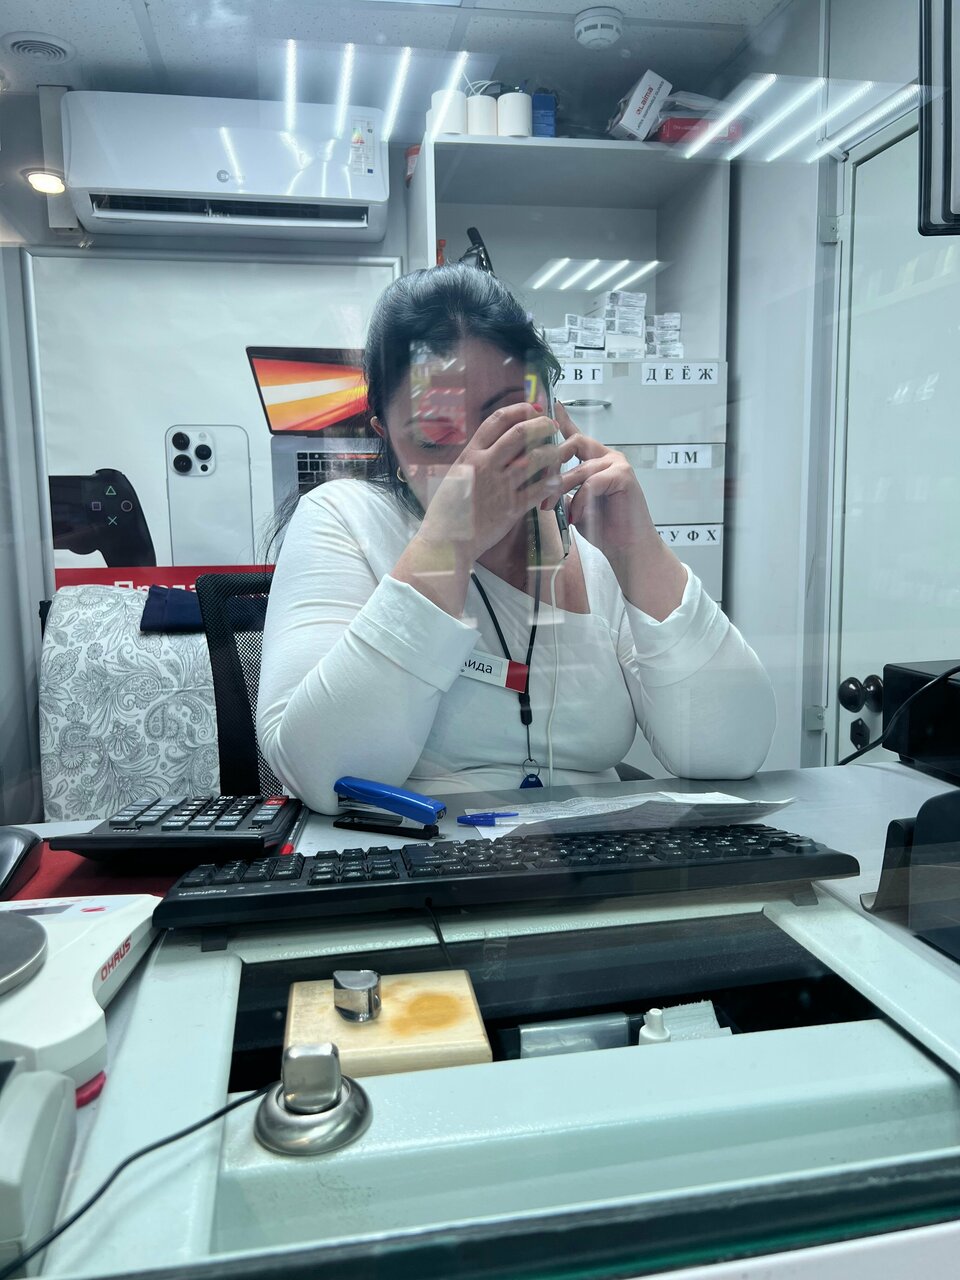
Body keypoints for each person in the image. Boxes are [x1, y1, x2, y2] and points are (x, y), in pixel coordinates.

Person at [257, 265, 775, 813]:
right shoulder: (345, 518)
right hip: (422, 854)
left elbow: (730, 751)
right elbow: (325, 775)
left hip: (587, 854)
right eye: (435, 435)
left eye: (507, 419)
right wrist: (450, 542)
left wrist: (638, 551)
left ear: (552, 408)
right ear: (386, 436)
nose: (480, 461)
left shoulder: (590, 544)